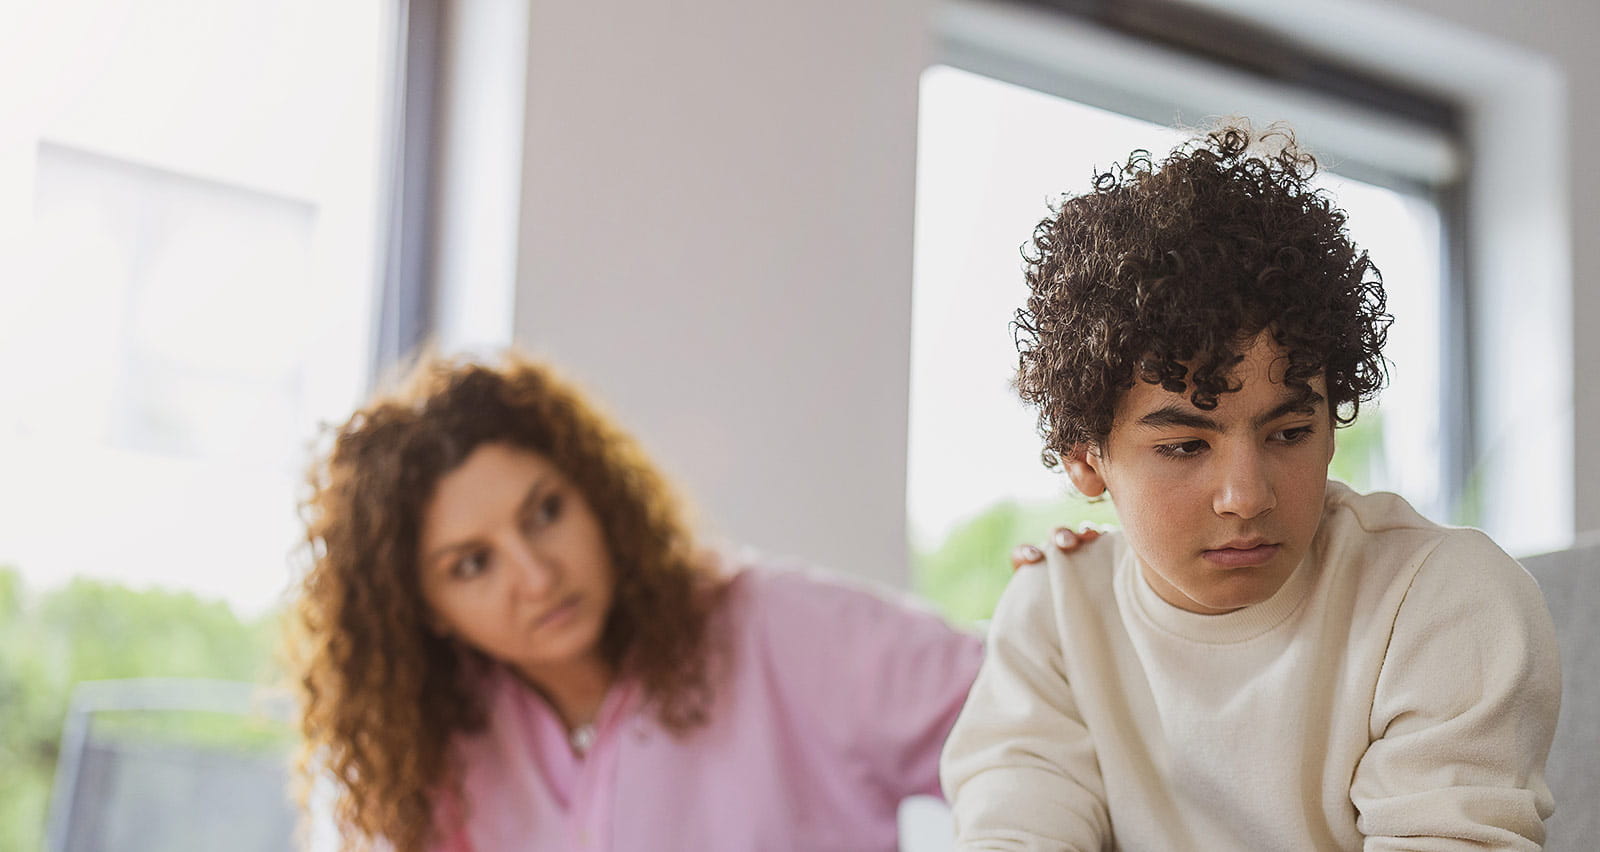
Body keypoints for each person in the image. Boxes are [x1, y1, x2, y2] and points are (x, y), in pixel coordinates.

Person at [941, 123, 1562, 850]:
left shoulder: (1442, 601)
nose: (1248, 496)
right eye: (1182, 446)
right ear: (1086, 458)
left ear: (1334, 425)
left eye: (1289, 433)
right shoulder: (1054, 613)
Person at [289, 352, 987, 852]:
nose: (536, 576)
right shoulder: (433, 748)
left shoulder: (779, 628)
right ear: (425, 609)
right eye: (473, 564)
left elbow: (1038, 721)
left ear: (594, 492)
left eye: (545, 512)